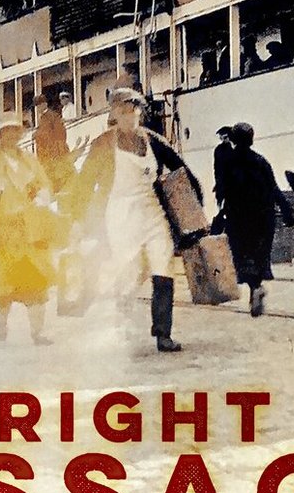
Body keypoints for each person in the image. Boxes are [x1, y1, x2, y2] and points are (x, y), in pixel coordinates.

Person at [74, 87, 202, 353]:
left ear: (139, 112)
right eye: (123, 111)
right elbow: (84, 184)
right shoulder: (102, 144)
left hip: (153, 212)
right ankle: (119, 325)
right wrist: (80, 220)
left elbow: (182, 170)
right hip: (120, 214)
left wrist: (195, 208)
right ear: (114, 114)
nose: (129, 115)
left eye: (133, 110)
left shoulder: (153, 140)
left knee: (163, 267)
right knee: (127, 272)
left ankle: (163, 333)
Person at [0, 113, 59, 344]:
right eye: (6, 131)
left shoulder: (29, 160)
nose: (11, 135)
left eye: (15, 131)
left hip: (31, 230)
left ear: (20, 134)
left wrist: (42, 196)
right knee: (4, 287)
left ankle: (37, 332)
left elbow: (45, 184)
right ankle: (1, 322)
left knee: (37, 283)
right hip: (5, 233)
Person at [218, 123, 294, 316]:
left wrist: (221, 212)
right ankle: (257, 287)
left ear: (233, 139)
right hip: (262, 219)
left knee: (242, 257)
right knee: (258, 256)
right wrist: (288, 213)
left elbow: (222, 189)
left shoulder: (228, 163)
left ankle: (255, 288)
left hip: (238, 219)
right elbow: (274, 189)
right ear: (251, 139)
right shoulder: (261, 162)